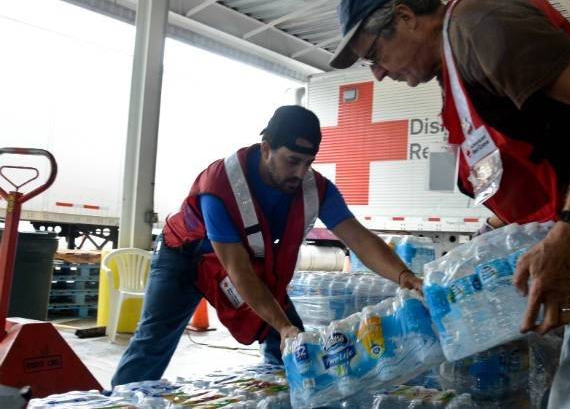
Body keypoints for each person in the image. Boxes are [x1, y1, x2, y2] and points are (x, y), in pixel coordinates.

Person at [330, 0, 570, 408]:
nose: (379, 73)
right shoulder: (456, 67)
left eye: (374, 55)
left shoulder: (478, 26)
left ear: (404, 17)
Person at [111, 105, 422, 387]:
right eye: (292, 161)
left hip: (240, 263)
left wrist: (403, 275)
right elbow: (238, 271)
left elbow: (358, 238)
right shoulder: (220, 184)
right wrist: (282, 325)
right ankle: (120, 401)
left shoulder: (315, 189)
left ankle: (288, 394)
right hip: (184, 258)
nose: (301, 173)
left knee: (297, 344)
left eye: (308, 163)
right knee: (153, 341)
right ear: (266, 149)